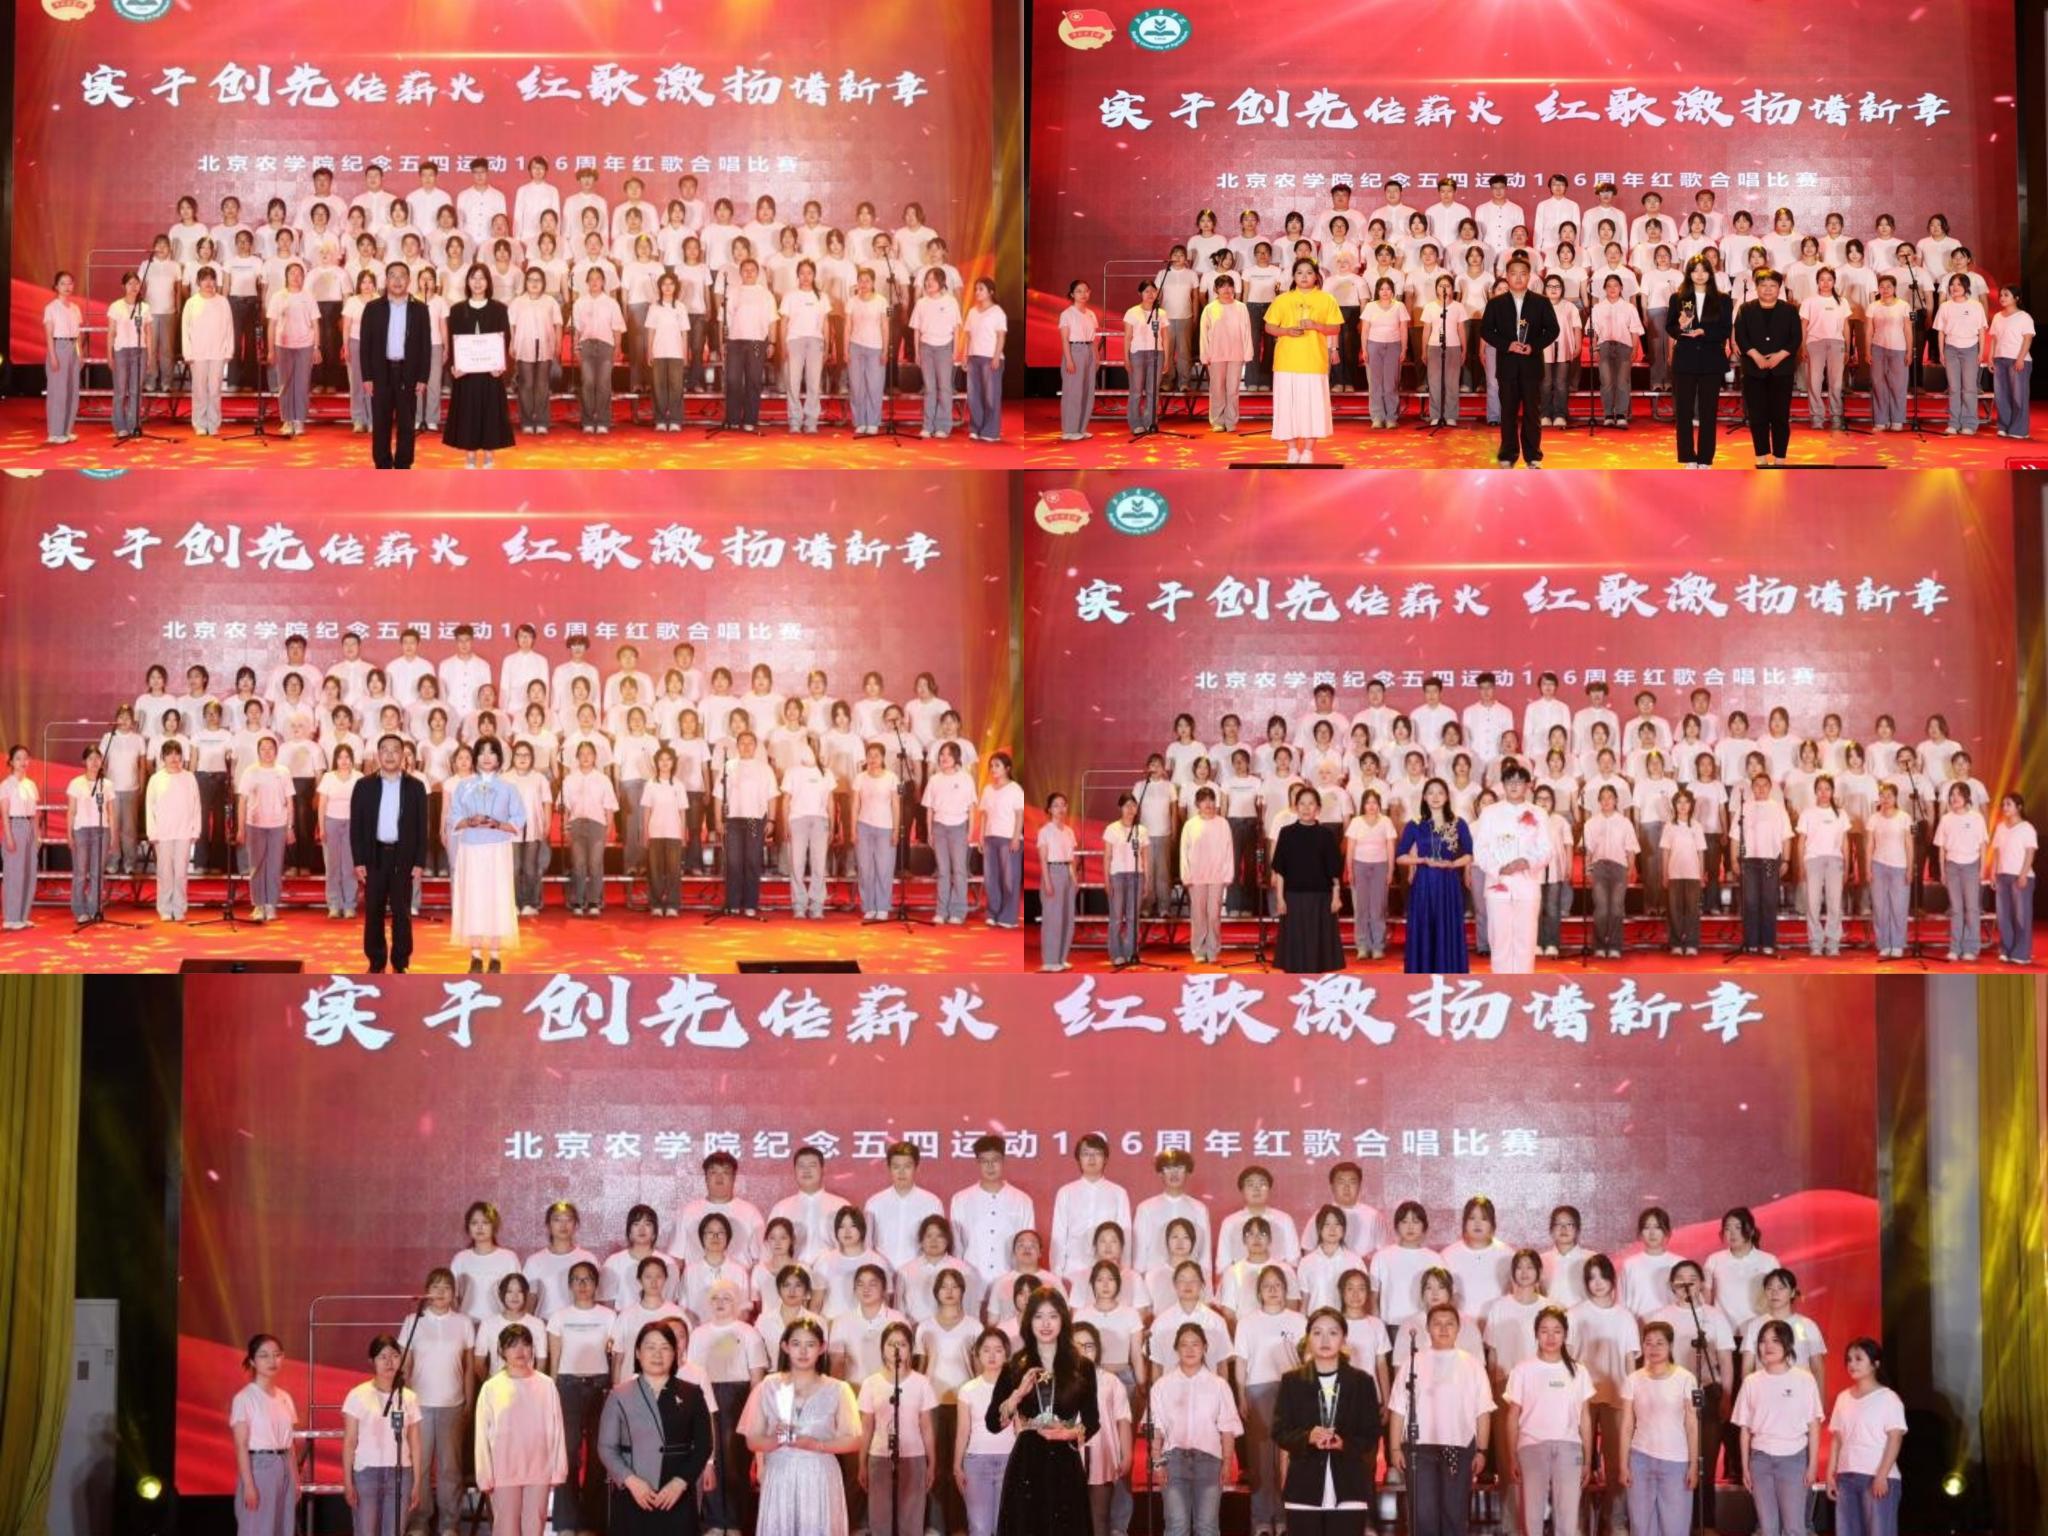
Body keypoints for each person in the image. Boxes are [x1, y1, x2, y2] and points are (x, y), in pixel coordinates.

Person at [742, 1316, 863, 1536]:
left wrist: (817, 1445)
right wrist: (775, 1440)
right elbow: (752, 1440)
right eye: (796, 1344)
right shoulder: (768, 1386)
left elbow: (854, 1440)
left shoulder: (838, 1389)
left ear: (822, 1348)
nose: (803, 1351)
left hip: (820, 1474)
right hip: (780, 1472)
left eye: (810, 1344)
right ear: (785, 1347)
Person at [596, 1320, 713, 1536]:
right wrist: (630, 1481)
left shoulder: (692, 1393)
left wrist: (680, 1483)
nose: (657, 1354)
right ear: (638, 1353)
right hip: (633, 1493)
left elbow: (704, 1445)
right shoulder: (619, 1394)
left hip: (677, 1493)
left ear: (675, 1354)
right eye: (650, 1347)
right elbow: (606, 1447)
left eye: (665, 1348)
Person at [1271, 1306, 1380, 1536]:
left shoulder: (1361, 1382)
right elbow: (1279, 1431)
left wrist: (1345, 1443)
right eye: (1317, 1332)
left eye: (1333, 1332)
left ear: (1344, 1339)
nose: (1325, 1340)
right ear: (1308, 1338)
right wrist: (1307, 1437)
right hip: (1304, 1487)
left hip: (1349, 1486)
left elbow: (1371, 1434)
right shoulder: (1292, 1381)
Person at [1389, 1303, 1494, 1536]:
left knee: (1454, 1513)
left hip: (1459, 1448)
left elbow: (1483, 1411)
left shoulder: (1473, 1365)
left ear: (1458, 1328)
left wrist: (1482, 1450)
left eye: (1449, 1324)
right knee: (1423, 1514)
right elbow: (1398, 1408)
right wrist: (1395, 1448)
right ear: (1427, 1328)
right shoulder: (1412, 1363)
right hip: (1420, 1449)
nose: (1443, 1329)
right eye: (1437, 1324)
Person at [1502, 1308, 1595, 1536]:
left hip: (1569, 1447)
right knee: (1531, 1515)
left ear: (1565, 1334)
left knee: (1568, 1516)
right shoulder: (1523, 1370)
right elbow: (1512, 1416)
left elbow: (1585, 1418)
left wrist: (1587, 1460)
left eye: (1557, 1331)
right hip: (1532, 1446)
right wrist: (1512, 1456)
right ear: (1536, 1334)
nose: (1551, 1337)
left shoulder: (1579, 1371)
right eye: (1544, 1331)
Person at [1732, 1321, 1824, 1536]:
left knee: (1794, 1527)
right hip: (1760, 1460)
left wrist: (1812, 1466)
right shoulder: (1751, 1382)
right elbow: (1744, 1429)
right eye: (1763, 1341)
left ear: (1787, 1343)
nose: (1768, 1346)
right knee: (1767, 1527)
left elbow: (1814, 1426)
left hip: (1794, 1459)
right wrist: (1745, 1466)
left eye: (1775, 1340)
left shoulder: (1804, 1379)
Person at [474, 1324, 566, 1536]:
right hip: (503, 1470)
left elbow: (557, 1429)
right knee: (506, 1528)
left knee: (534, 1528)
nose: (520, 1351)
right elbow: (482, 1436)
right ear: (501, 1351)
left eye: (525, 1345)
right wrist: (484, 1474)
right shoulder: (491, 1387)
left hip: (539, 1469)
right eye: (512, 1345)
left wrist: (558, 1469)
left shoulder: (546, 1385)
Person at [349, 735, 427, 973]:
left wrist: (419, 861)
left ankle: (401, 962)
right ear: (377, 755)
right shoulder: (364, 786)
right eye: (385, 750)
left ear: (403, 755)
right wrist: (358, 860)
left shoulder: (415, 787)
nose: (390, 755)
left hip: (403, 857)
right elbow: (356, 827)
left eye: (395, 750)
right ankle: (376, 961)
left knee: (402, 912)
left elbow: (422, 827)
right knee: (373, 911)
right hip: (374, 856)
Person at [447, 737, 524, 972]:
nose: (487, 757)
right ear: (475, 758)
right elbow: (453, 817)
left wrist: (498, 824)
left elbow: (519, 818)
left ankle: (495, 954)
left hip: (497, 849)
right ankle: (476, 954)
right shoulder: (463, 786)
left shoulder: (508, 788)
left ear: (499, 758)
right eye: (482, 752)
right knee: (473, 898)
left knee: (497, 898)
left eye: (492, 752)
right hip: (471, 849)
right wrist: (469, 821)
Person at [1618, 1321, 1700, 1536]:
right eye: (1648, 1343)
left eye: (1659, 1343)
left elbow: (1692, 1425)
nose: (1653, 1348)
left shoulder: (1686, 1378)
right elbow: (1627, 1425)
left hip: (1676, 1462)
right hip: (1640, 1459)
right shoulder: (1633, 1379)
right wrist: (1623, 1464)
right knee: (1641, 1526)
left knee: (1675, 1527)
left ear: (1670, 1346)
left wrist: (1693, 1465)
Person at [857, 1322, 939, 1536]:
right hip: (880, 1456)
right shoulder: (871, 1383)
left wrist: (931, 1463)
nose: (897, 1349)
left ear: (910, 1349)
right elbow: (866, 1427)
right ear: (882, 1348)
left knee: (911, 1518)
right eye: (891, 1344)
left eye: (902, 1344)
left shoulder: (921, 1383)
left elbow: (926, 1427)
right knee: (880, 1518)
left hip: (914, 1456)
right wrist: (862, 1463)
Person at [1480, 257, 1560, 466]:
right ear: (1506, 276)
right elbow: (1486, 331)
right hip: (1507, 365)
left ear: (1529, 276)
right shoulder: (1496, 303)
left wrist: (1534, 346)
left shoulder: (1541, 302)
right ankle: (1508, 454)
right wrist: (1507, 345)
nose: (1518, 278)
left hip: (1531, 365)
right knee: (1508, 412)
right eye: (1513, 273)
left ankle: (1533, 456)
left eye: (1523, 274)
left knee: (1532, 413)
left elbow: (1553, 330)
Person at [341, 1334, 423, 1536]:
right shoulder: (358, 1395)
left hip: (400, 1473)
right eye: (382, 1357)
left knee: (395, 1531)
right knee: (366, 1531)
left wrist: (417, 1482)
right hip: (367, 1473)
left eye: (394, 1356)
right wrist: (348, 1482)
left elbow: (415, 1443)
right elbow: (349, 1442)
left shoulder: (409, 1397)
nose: (389, 1362)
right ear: (372, 1361)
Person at [1264, 257, 1344, 463]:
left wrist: (1316, 325)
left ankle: (1308, 451)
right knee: (1287, 407)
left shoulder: (1326, 299)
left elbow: (1335, 328)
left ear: (1316, 276)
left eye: (1309, 272)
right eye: (1299, 273)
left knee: (1313, 408)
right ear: (1293, 276)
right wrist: (1286, 331)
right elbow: (1269, 327)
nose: (1304, 277)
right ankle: (1291, 450)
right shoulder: (1282, 299)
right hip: (1286, 362)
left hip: (1313, 362)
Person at [1470, 766, 1547, 973]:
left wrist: (1527, 862)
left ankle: (1523, 984)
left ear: (1528, 786)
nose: (1514, 785)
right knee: (1499, 938)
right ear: (1503, 785)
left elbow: (1546, 849)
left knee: (1526, 939)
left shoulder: (1539, 813)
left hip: (1527, 884)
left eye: (1519, 781)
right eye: (1509, 781)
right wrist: (1498, 869)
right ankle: (1501, 984)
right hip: (1498, 885)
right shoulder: (1490, 813)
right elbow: (1480, 849)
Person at [1827, 1340, 1906, 1536]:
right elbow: (1837, 1439)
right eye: (1849, 1360)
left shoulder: (1888, 1398)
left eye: (1858, 1359)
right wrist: (1830, 1474)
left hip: (1877, 1477)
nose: (1852, 1364)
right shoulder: (1843, 1398)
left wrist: (1882, 1475)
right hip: (1846, 1477)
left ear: (1875, 1363)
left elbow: (1895, 1438)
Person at [359, 261, 432, 468]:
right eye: (393, 275)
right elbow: (365, 346)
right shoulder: (373, 308)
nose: (397, 280)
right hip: (381, 372)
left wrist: (423, 377)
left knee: (407, 423)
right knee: (381, 422)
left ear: (409, 280)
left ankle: (403, 464)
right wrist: (367, 376)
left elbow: (425, 346)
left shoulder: (420, 309)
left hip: (408, 372)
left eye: (402, 276)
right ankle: (382, 463)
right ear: (386, 280)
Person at [443, 262, 515, 467]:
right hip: (465, 373)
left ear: (488, 282)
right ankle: (470, 455)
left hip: (491, 373)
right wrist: (454, 367)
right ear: (467, 282)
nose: (477, 282)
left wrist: (500, 365)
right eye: (473, 278)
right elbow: (453, 341)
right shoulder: (457, 310)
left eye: (482, 278)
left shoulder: (499, 309)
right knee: (468, 412)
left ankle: (490, 454)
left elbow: (504, 339)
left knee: (490, 411)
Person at [1397, 777, 1472, 972]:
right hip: (1424, 883)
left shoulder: (1458, 823)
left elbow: (1469, 854)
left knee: (1448, 927)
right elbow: (1400, 856)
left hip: (1448, 883)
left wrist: (1453, 863)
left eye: (1440, 792)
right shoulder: (1415, 824)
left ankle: (1450, 972)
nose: (1435, 797)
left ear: (1447, 797)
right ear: (1424, 797)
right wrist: (1422, 860)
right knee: (1424, 926)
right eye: (1430, 793)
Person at [230, 1333, 301, 1536]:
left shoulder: (285, 1397)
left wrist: (295, 1479)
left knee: (283, 1527)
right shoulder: (245, 1398)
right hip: (259, 1467)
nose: (272, 1360)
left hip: (284, 1465)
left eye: (277, 1355)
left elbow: (289, 1444)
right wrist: (249, 1485)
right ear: (252, 1361)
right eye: (264, 1355)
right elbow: (241, 1445)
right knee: (258, 1528)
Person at [1272, 785, 1345, 973]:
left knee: (1319, 951)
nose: (1306, 808)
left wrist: (1336, 897)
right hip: (1293, 898)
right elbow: (1280, 870)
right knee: (1294, 949)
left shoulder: (1326, 835)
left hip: (1321, 898)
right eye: (1302, 804)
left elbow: (1334, 871)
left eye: (1311, 804)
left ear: (1318, 809)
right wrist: (1280, 898)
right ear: (1296, 807)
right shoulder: (1286, 833)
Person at [1668, 256, 1731, 465]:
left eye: (1704, 270)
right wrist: (1680, 327)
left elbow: (1725, 329)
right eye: (1695, 270)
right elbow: (1670, 327)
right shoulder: (1678, 298)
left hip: (1711, 360)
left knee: (1708, 412)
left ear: (1710, 273)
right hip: (1685, 359)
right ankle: (1687, 457)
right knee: (1684, 412)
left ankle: (1705, 458)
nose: (1700, 274)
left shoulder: (1722, 299)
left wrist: (1705, 331)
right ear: (1689, 273)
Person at [1734, 269, 1802, 464]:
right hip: (1753, 369)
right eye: (1763, 285)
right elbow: (1741, 336)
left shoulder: (1789, 310)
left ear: (1779, 288)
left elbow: (1795, 338)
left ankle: (1780, 456)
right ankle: (1761, 455)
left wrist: (1779, 356)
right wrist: (1756, 356)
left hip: (1782, 370)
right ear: (1756, 287)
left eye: (1773, 285)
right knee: (1757, 415)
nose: (1768, 289)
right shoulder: (1745, 309)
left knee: (1780, 415)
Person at [144, 742, 201, 920]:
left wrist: (195, 830)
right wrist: (152, 832)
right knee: (165, 873)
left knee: (181, 873)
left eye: (177, 754)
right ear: (163, 757)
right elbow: (149, 807)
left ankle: (179, 908)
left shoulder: (189, 778)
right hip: (163, 833)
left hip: (184, 831)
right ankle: (165, 909)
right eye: (169, 754)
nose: (174, 758)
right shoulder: (156, 779)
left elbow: (197, 805)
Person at [1933, 781, 1988, 962]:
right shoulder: (1946, 819)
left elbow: (1983, 845)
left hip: (1971, 865)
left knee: (1972, 908)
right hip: (1952, 867)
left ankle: (1971, 948)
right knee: (1956, 909)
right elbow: (1941, 848)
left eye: (1958, 794)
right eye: (1952, 795)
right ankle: (1955, 948)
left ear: (1966, 797)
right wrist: (1942, 871)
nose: (1954, 798)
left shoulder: (1976, 818)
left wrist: (1983, 869)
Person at [1932, 273, 1987, 435]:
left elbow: (1981, 331)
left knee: (1969, 388)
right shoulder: (1945, 306)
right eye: (1952, 284)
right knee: (1954, 388)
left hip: (1970, 348)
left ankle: (1969, 423)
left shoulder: (1976, 305)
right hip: (1951, 349)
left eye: (1959, 284)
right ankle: (1954, 423)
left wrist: (1981, 352)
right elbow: (1940, 331)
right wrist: (1941, 352)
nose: (1954, 287)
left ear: (1966, 287)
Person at [1989, 285, 2034, 438]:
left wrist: (2020, 358)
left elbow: (2027, 339)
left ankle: (2019, 430)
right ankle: (2004, 426)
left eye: (2006, 295)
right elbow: (1994, 339)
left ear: (2016, 298)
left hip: (2018, 360)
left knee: (2019, 396)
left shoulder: (2024, 317)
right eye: (2001, 295)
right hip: (2000, 359)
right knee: (2001, 395)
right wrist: (1991, 357)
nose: (2002, 298)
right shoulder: (1997, 317)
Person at [0, 746, 36, 932]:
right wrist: (9, 836)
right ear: (11, 762)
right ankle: (11, 917)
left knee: (29, 872)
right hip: (15, 826)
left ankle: (23, 915)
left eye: (25, 758)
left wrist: (37, 835)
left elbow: (35, 813)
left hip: (29, 827)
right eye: (18, 758)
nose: (23, 762)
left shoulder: (30, 784)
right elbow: (4, 814)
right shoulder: (6, 785)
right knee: (14, 873)